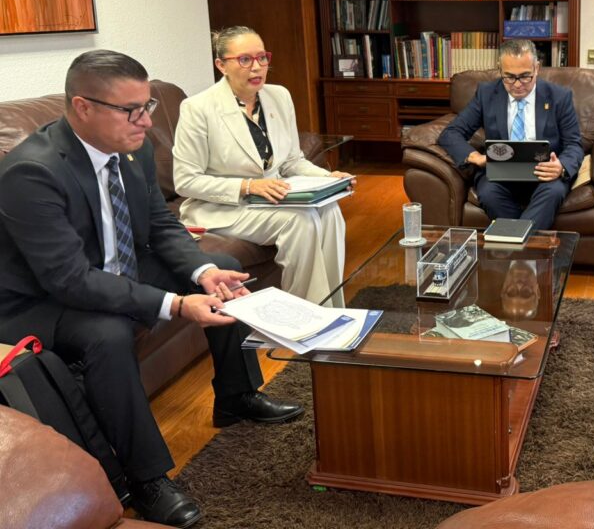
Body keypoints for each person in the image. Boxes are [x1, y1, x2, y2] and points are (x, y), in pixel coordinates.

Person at [0, 50, 303, 529]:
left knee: (223, 269)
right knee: (107, 333)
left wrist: (202, 273)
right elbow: (69, 279)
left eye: (148, 106)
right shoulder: (31, 172)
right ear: (83, 107)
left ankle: (236, 396)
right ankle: (146, 479)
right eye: (131, 110)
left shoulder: (132, 148)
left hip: (115, 266)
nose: (146, 121)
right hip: (41, 299)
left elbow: (161, 225)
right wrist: (177, 304)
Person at [173, 26, 352, 305]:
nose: (256, 67)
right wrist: (248, 186)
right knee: (301, 221)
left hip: (272, 199)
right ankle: (305, 314)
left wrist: (329, 178)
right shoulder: (198, 108)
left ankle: (331, 309)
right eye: (245, 59)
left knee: (330, 211)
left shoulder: (279, 96)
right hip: (222, 208)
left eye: (262, 58)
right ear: (221, 65)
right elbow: (186, 181)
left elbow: (292, 161)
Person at [438, 39, 583, 230]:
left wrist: (561, 167)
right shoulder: (487, 94)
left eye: (525, 76)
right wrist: (476, 157)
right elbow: (451, 133)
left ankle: (514, 247)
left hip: (544, 173)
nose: (517, 85)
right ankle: (526, 247)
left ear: (537, 68)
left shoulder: (559, 96)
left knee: (554, 192)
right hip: (500, 172)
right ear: (500, 70)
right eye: (509, 77)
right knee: (488, 193)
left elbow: (574, 144)